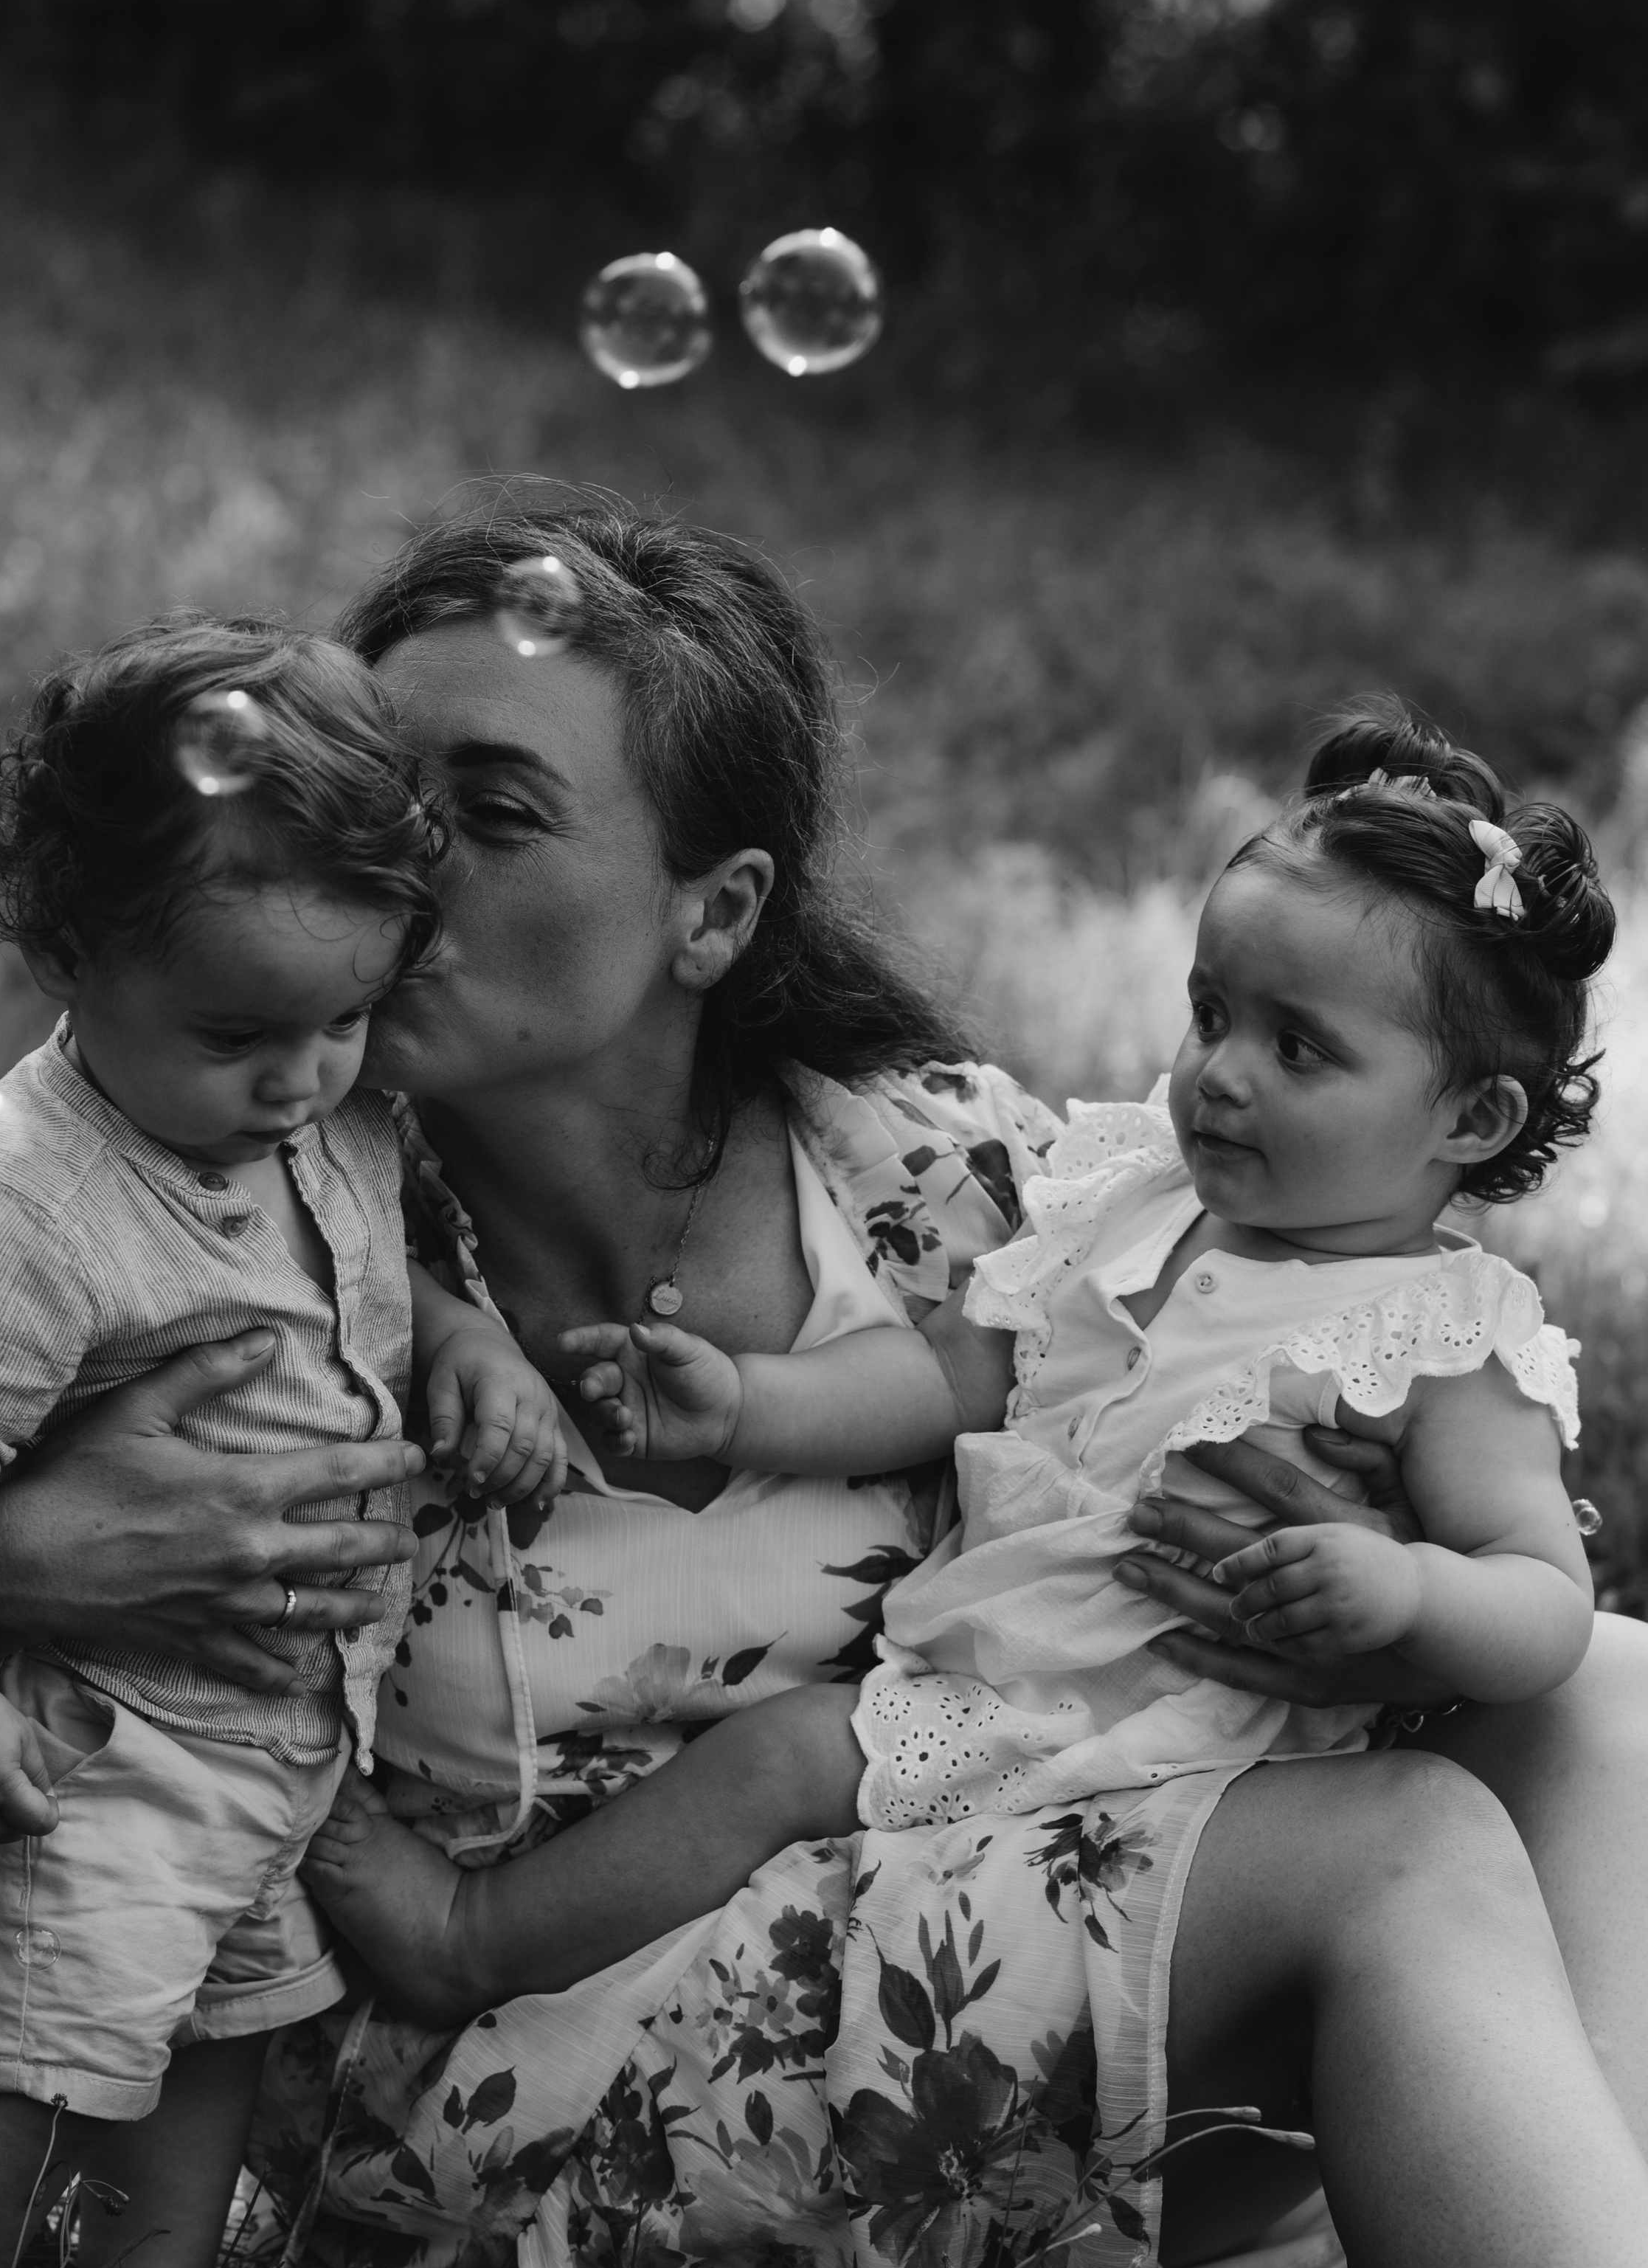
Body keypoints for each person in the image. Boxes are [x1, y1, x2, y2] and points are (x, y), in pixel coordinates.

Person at [0, 505, 1648, 2268]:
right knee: (1403, 1851)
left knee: (1607, 1692)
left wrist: (1344, 1586)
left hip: (955, 1909)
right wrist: (21, 1565)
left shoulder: (950, 1184)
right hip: (530, 2077)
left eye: (483, 813)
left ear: (711, 909)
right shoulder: (224, 1210)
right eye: (369, 798)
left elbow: (1287, 1382)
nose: (392, 869)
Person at [314, 706, 1610, 2024]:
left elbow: (1547, 1597)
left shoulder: (1448, 1333)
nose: (1218, 1076)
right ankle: (499, 1948)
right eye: (1211, 1014)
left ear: (1473, 1116)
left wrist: (1404, 1591)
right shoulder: (1127, 1206)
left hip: (1192, 1739)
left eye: (1299, 1049)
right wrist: (746, 1405)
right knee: (785, 1774)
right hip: (999, 1695)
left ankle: (471, 1941)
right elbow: (943, 1379)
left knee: (779, 1768)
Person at [0, 616, 564, 2268]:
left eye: (344, 1019)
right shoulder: (18, 1214)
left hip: (276, 1737)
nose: (306, 1078)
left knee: (221, 2036)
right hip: (91, 1753)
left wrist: (465, 1343)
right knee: (25, 2066)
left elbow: (377, 1271)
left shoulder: (317, 1116)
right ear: (69, 951)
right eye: (242, 1031)